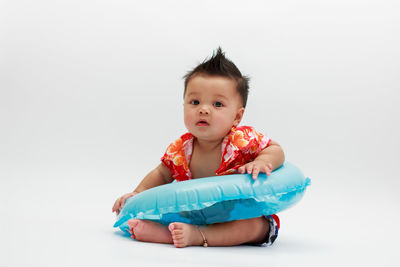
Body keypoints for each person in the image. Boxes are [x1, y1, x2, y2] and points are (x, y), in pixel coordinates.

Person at [112, 47, 285, 248]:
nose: (203, 109)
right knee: (168, 215)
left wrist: (263, 161)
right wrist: (137, 193)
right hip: (195, 214)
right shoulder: (181, 149)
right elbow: (162, 173)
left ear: (237, 116)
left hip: (239, 214)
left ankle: (198, 236)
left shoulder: (242, 140)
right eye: (195, 102)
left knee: (255, 226)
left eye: (217, 104)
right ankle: (172, 233)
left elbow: (275, 148)